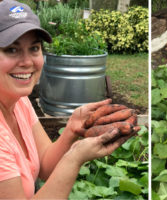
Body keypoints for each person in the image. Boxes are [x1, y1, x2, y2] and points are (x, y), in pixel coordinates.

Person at [0, 0, 137, 198]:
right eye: (12, 49)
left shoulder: (19, 102)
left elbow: (45, 165)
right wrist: (75, 157)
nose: (28, 61)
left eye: (34, 48)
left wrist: (72, 129)